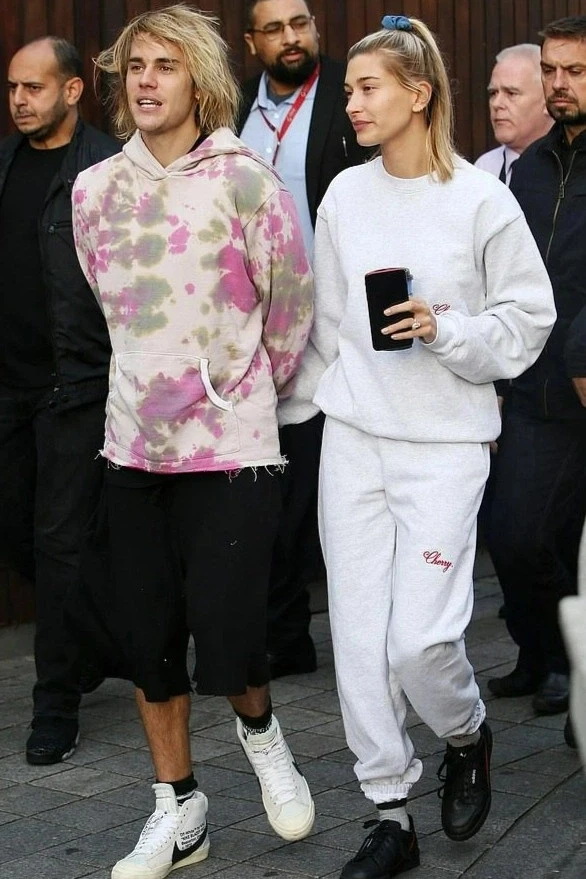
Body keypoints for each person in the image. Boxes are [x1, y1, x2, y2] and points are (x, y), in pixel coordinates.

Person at [290, 14, 556, 878]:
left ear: (418, 93)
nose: (352, 102)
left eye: (368, 88)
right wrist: (289, 412)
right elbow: (330, 327)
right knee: (359, 639)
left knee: (420, 643)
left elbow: (529, 320)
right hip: (355, 440)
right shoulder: (344, 195)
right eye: (350, 90)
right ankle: (389, 813)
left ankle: (466, 733)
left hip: (445, 444)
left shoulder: (480, 199)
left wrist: (447, 329)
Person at [70, 6, 315, 878]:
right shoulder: (93, 190)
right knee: (149, 639)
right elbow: (108, 304)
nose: (145, 80)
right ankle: (180, 809)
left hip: (232, 446)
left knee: (231, 628)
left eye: (165, 65)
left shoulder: (249, 182)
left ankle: (264, 737)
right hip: (132, 446)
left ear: (201, 81)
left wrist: (236, 391)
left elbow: (290, 309)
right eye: (136, 65)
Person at [237, 0, 368, 679]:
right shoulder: (232, 109)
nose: (292, 38)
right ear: (251, 41)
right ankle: (284, 636)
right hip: (249, 339)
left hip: (331, 335)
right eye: (275, 28)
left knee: (320, 492)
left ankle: (340, 639)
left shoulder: (350, 96)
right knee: (265, 492)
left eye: (301, 23)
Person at [0, 37, 119, 766]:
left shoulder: (107, 169)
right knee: (19, 531)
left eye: (34, 87)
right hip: (8, 387)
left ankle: (56, 704)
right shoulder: (4, 163)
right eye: (13, 87)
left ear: (72, 90)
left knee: (59, 541)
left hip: (75, 386)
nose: (19, 100)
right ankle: (94, 641)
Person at [486, 16, 586, 719]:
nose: (559, 84)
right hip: (531, 383)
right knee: (515, 533)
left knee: (561, 536)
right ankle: (540, 651)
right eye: (550, 70)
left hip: (581, 379)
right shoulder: (528, 167)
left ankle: (564, 663)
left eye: (574, 71)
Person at [475, 43, 553, 184]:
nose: (496, 104)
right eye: (493, 93)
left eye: (511, 93)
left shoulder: (572, 167)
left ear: (547, 101)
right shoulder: (484, 168)